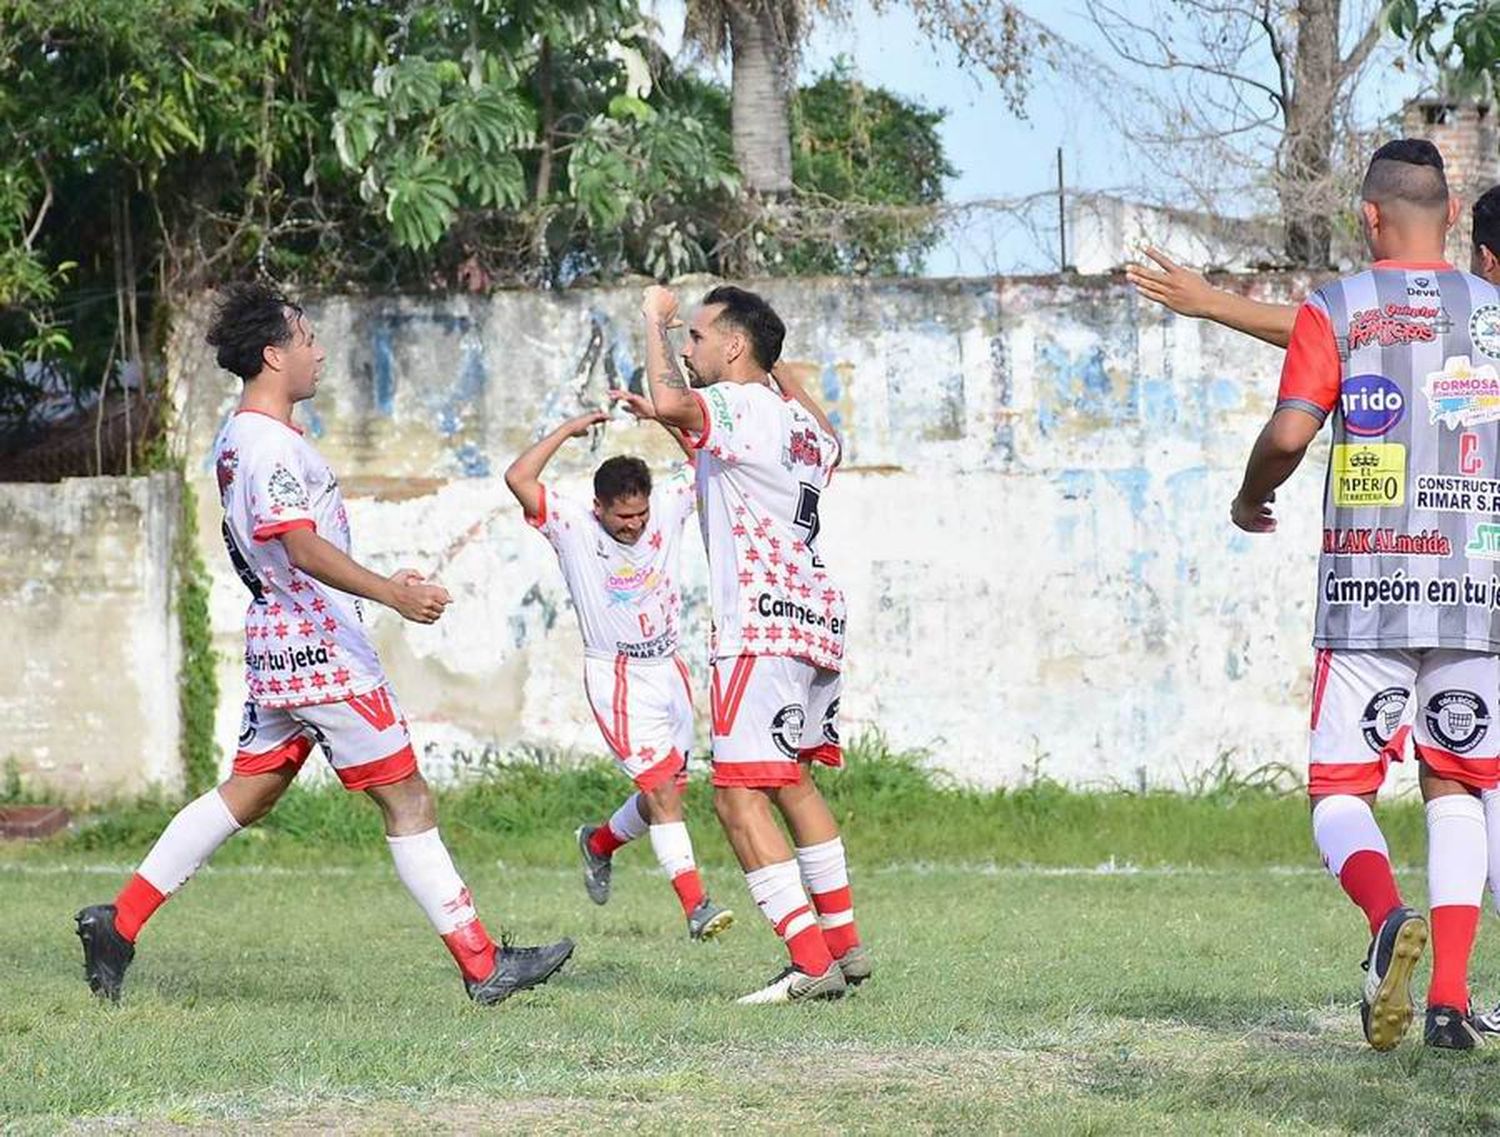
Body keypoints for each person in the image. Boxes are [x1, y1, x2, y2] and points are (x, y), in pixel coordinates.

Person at [74, 282, 574, 1006]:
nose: (319, 351)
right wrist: (390, 591)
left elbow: (294, 549)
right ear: (274, 353)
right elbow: (300, 546)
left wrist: (368, 583)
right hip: (319, 647)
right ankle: (481, 964)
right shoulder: (269, 444)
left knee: (249, 790)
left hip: (284, 638)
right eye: (307, 339)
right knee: (407, 797)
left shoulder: (242, 436)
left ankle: (117, 924)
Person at [1132, 183, 1500, 1038]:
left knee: (1340, 788)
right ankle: (1447, 999)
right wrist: (1219, 304)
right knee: (1463, 779)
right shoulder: (1488, 312)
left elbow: (1297, 417)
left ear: (1369, 216)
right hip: (1478, 590)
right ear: (1451, 219)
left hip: (1370, 593)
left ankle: (1383, 918)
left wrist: (1248, 495)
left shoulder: (1341, 307)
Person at [613, 283, 868, 1004]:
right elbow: (737, 451)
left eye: (697, 337)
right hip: (813, 619)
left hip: (757, 624)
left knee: (734, 798)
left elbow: (672, 403)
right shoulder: (803, 426)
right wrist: (770, 366)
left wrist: (655, 320)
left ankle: (809, 960)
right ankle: (844, 947)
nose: (687, 350)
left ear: (734, 346)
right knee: (791, 782)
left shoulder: (738, 404)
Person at [503, 410, 734, 942]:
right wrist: (565, 431)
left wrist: (661, 415)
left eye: (640, 514)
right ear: (599, 507)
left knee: (667, 793)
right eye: (621, 516)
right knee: (663, 795)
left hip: (669, 669)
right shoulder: (571, 527)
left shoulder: (668, 510)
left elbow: (704, 459)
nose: (633, 525)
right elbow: (518, 478)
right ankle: (696, 907)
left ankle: (598, 844)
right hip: (619, 677)